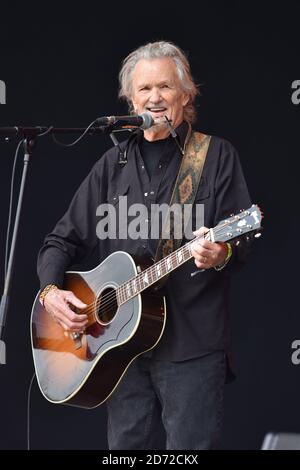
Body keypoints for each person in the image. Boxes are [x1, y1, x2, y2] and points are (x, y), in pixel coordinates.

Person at [37, 41, 252, 450]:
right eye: (144, 90)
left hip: (192, 347)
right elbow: (59, 241)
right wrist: (51, 293)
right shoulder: (110, 166)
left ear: (186, 95)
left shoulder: (214, 156)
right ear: (129, 100)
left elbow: (240, 243)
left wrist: (219, 252)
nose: (154, 98)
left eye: (165, 88)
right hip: (121, 352)